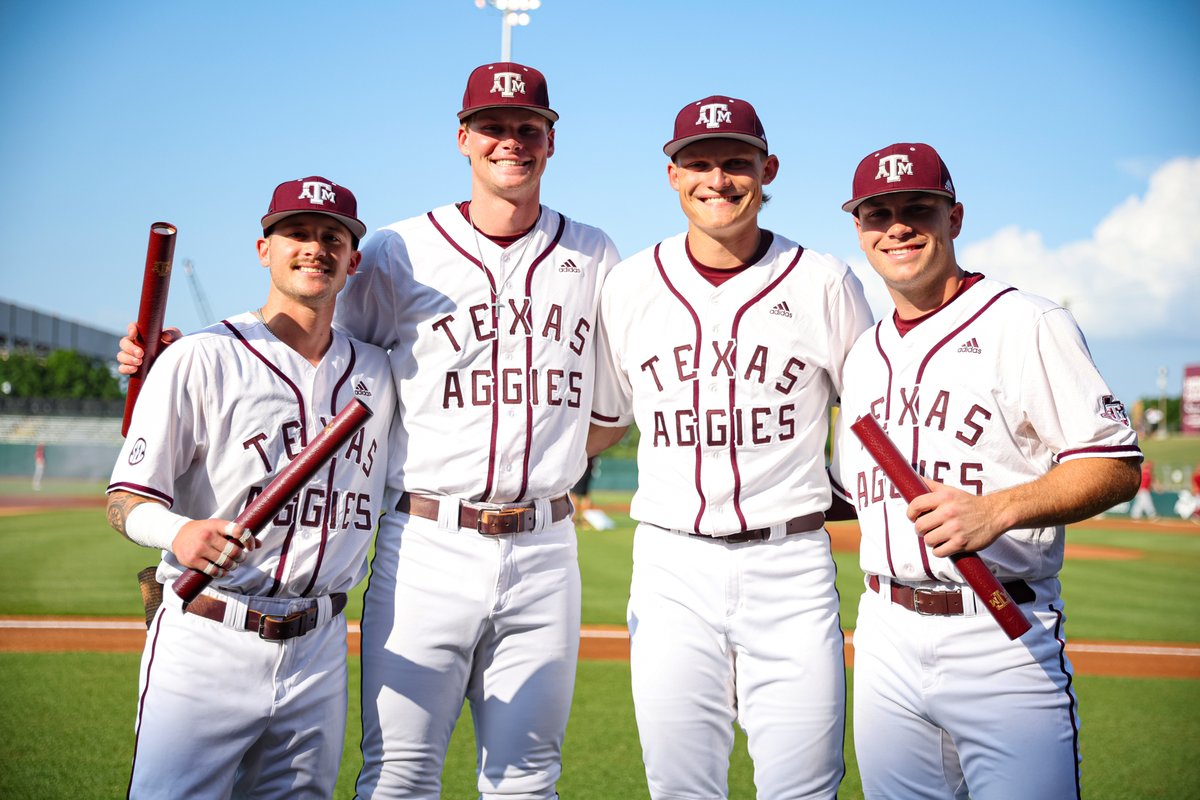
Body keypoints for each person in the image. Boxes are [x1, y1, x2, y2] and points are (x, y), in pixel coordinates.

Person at [336, 62, 619, 798]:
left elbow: (611, 413)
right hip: (427, 539)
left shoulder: (592, 253)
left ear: (551, 143)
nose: (512, 141)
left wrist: (547, 459)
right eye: (494, 126)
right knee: (398, 776)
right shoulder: (396, 251)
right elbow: (322, 361)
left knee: (527, 779)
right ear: (464, 138)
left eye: (530, 128)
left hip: (545, 549)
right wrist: (192, 349)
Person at [829, 142, 1143, 799]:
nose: (898, 227)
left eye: (919, 208)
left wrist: (996, 510)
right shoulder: (862, 355)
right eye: (877, 213)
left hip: (1001, 630)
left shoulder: (1025, 322)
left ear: (955, 217)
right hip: (885, 628)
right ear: (858, 229)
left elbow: (1114, 464)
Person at [588, 96, 873, 799]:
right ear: (673, 175)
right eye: (699, 163)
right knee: (681, 787)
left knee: (803, 788)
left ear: (767, 168)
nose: (718, 178)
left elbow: (877, 413)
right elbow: (602, 417)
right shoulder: (629, 285)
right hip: (670, 562)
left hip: (791, 562)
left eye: (737, 162)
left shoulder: (822, 281)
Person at [107, 177, 395, 799]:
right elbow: (124, 498)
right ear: (264, 249)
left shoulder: (378, 369)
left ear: (353, 260)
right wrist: (180, 532)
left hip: (318, 645)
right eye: (296, 233)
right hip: (209, 634)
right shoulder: (202, 355)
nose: (314, 247)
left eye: (331, 237)